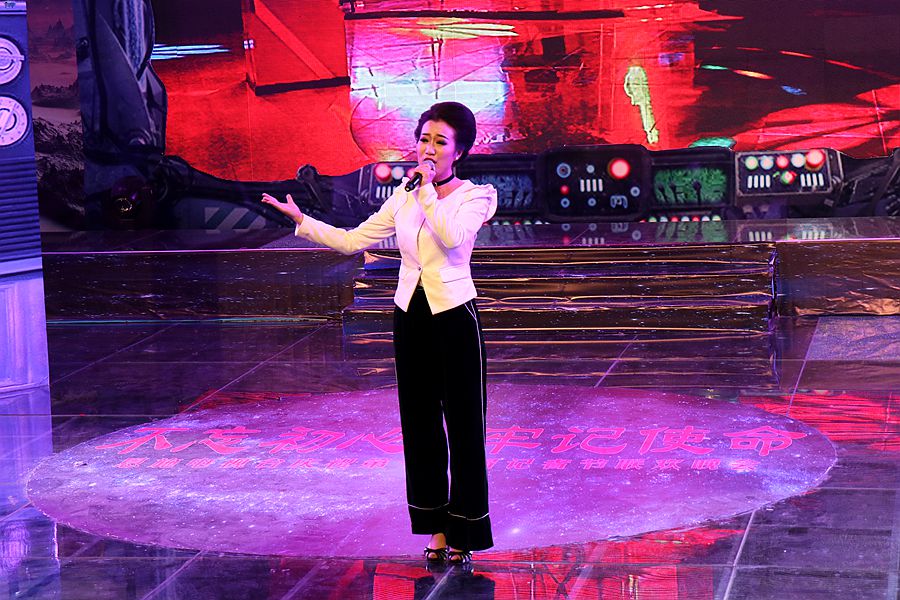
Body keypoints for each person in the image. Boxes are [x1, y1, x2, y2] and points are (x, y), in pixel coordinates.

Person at [261, 102, 497, 565]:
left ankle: (466, 529)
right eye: (424, 139)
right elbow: (353, 240)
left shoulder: (477, 196)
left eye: (440, 142)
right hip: (411, 315)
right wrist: (303, 222)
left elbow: (451, 237)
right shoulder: (403, 198)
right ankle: (435, 527)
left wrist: (426, 191)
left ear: (459, 152)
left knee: (465, 426)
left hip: (454, 315)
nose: (429, 149)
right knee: (420, 425)